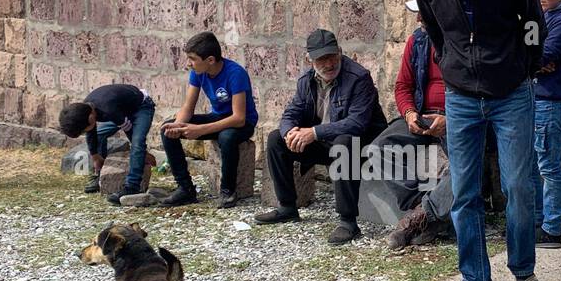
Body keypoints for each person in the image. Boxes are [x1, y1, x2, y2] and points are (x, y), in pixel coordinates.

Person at [411, 0, 545, 281]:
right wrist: (449, 64)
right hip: (461, 97)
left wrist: (526, 68)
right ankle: (475, 279)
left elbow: (534, 23)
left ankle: (524, 272)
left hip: (511, 94)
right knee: (465, 192)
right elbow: (433, 29)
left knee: (518, 187)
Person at [255, 28, 386, 245]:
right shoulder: (306, 80)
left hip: (362, 146)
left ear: (340, 52)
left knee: (344, 142)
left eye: (332, 57)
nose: (329, 64)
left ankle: (348, 222)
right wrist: (290, 132)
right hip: (325, 143)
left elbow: (357, 124)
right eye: (321, 59)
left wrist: (313, 133)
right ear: (309, 60)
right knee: (276, 139)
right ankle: (287, 206)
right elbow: (290, 113)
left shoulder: (359, 78)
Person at [383, 0, 454, 250]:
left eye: (422, 15)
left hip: (457, 119)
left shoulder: (463, 42)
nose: (417, 20)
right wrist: (410, 112)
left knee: (466, 165)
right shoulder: (418, 41)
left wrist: (450, 119)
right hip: (423, 114)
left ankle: (418, 219)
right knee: (381, 147)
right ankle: (423, 210)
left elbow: (480, 93)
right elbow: (403, 86)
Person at [159, 31, 259, 208]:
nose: (188, 63)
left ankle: (228, 191)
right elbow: (188, 108)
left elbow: (239, 118)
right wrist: (178, 126)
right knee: (167, 129)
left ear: (210, 60)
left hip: (242, 123)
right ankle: (185, 189)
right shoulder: (198, 72)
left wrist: (200, 130)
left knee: (226, 137)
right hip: (218, 117)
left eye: (192, 58)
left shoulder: (235, 73)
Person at [529, 0, 561, 249]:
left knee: (548, 165)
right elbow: (527, 53)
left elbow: (541, 56)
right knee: (532, 163)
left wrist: (532, 60)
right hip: (534, 97)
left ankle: (552, 228)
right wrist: (531, 60)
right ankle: (536, 221)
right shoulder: (542, 15)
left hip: (552, 101)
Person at [57, 84, 156, 205]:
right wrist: (95, 156)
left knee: (137, 143)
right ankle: (101, 177)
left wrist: (143, 153)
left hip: (141, 107)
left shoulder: (108, 109)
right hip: (121, 111)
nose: (85, 132)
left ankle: (132, 186)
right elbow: (91, 132)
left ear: (91, 117)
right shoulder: (85, 108)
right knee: (99, 135)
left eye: (84, 130)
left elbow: (129, 130)